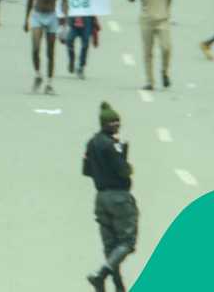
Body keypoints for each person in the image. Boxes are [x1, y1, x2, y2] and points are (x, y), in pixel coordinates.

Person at [82, 102, 138, 292]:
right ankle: (102, 274)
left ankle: (117, 286)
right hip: (119, 197)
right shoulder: (112, 145)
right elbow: (124, 171)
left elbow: (86, 170)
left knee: (110, 246)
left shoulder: (91, 143)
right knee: (127, 243)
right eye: (113, 122)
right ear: (104, 124)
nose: (116, 125)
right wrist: (123, 154)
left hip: (101, 198)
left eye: (117, 121)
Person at [24, 0, 68, 94]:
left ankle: (49, 82)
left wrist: (65, 21)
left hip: (51, 16)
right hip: (37, 15)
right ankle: (38, 74)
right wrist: (26, 18)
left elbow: (64, 0)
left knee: (50, 51)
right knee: (36, 48)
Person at [128, 0, 172, 90]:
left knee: (166, 48)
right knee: (148, 51)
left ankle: (164, 71)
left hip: (162, 18)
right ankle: (149, 81)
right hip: (146, 19)